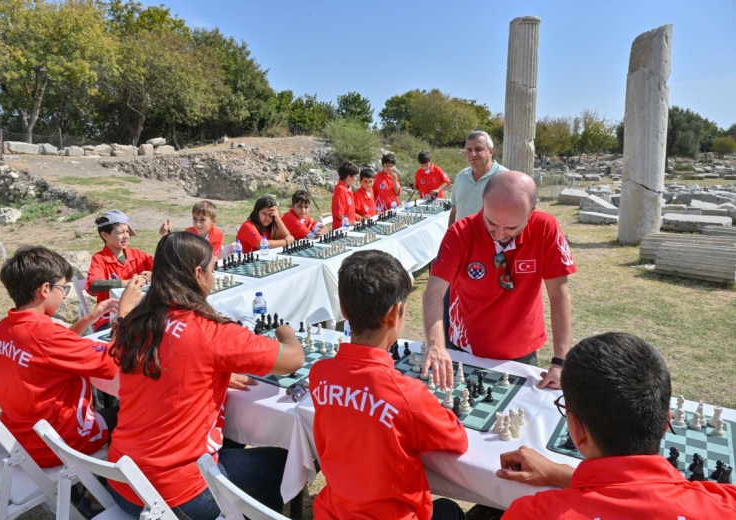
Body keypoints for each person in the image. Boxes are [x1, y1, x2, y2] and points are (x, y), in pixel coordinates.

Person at [107, 232, 304, 519]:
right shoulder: (211, 332)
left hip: (123, 484)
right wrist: (285, 329)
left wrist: (215, 374)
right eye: (212, 269)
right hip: (181, 497)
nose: (213, 277)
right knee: (289, 461)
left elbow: (172, 365)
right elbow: (293, 359)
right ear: (199, 273)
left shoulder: (135, 324)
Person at [497, 332, 736, 519]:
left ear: (576, 428)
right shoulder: (726, 503)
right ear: (666, 422)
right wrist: (558, 474)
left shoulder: (532, 513)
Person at [310, 250, 468, 520]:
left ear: (344, 311)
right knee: (450, 511)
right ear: (395, 313)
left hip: (334, 512)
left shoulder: (320, 374)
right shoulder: (408, 395)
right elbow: (458, 440)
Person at [422, 170, 576, 390]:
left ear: (532, 212)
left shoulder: (546, 228)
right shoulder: (460, 232)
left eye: (512, 228)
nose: (499, 234)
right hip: (465, 347)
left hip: (520, 351)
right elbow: (434, 292)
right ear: (484, 204)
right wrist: (436, 344)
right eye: (491, 223)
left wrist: (560, 362)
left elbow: (559, 294)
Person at [0, 246, 137, 467]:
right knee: (140, 411)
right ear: (45, 289)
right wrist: (124, 315)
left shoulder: (4, 328)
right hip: (62, 442)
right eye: (63, 288)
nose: (65, 294)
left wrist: (91, 317)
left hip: (23, 437)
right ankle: (116, 483)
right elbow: (113, 362)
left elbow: (49, 351)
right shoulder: (44, 335)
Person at [86, 209, 154, 331]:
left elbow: (163, 267)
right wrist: (127, 283)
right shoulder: (99, 259)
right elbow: (93, 285)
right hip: (108, 318)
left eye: (127, 232)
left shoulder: (138, 255)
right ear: (105, 235)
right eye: (120, 233)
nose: (126, 236)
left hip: (140, 314)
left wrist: (152, 273)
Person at [449, 131, 508, 226]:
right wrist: (450, 237)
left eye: (478, 149)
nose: (473, 154)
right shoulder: (461, 176)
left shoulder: (506, 177)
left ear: (490, 151)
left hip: (488, 240)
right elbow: (455, 210)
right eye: (469, 150)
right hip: (461, 238)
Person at [159, 201, 224, 260]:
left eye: (202, 220)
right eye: (195, 219)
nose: (197, 224)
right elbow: (175, 250)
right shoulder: (188, 233)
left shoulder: (218, 234)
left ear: (213, 221)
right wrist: (165, 235)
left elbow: (211, 258)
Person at [331, 160, 358, 229]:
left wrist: (359, 217)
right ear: (349, 176)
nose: (356, 178)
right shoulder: (340, 189)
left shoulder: (347, 188)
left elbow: (348, 210)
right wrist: (349, 223)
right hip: (342, 229)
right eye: (355, 176)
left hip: (350, 227)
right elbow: (339, 213)